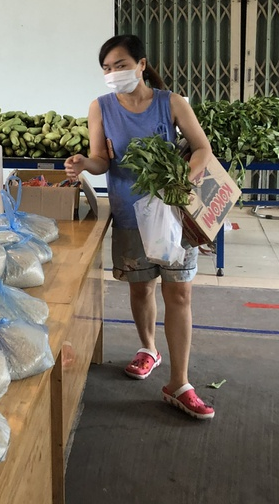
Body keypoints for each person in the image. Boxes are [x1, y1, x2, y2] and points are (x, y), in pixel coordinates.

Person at [64, 34, 215, 420]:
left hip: (173, 215)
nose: (113, 74)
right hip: (130, 215)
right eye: (107, 69)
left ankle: (179, 383)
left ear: (141, 64)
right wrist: (84, 163)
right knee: (141, 288)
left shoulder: (172, 103)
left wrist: (181, 174)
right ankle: (148, 348)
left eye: (120, 65)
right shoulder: (100, 108)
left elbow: (202, 148)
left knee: (179, 295)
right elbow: (102, 161)